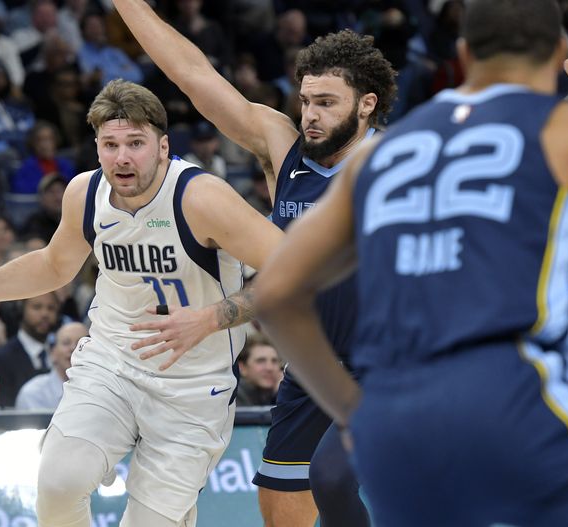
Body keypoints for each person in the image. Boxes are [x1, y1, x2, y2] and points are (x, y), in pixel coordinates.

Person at [255, 1, 568, 525]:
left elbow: (274, 295)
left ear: (465, 53)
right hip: (513, 397)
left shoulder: (385, 155)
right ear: (559, 51)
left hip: (394, 417)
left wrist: (352, 412)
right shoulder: (558, 130)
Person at [111, 2, 397, 524]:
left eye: (327, 103)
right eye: (306, 100)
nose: (310, 114)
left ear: (366, 104)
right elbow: (194, 76)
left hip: (389, 363)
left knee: (332, 480)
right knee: (279, 509)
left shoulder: (399, 163)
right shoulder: (281, 145)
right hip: (312, 366)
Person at [0, 79, 282, 526]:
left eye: (135, 143)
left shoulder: (201, 198)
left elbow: (292, 269)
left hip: (193, 388)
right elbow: (54, 266)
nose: (122, 157)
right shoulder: (84, 194)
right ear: (97, 148)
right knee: (58, 482)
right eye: (110, 144)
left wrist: (211, 318)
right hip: (112, 365)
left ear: (163, 147)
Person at [0, 291, 62, 408]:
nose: (45, 314)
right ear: (21, 310)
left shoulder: (65, 355)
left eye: (51, 308)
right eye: (37, 307)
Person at [15, 321, 88, 410]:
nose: (73, 348)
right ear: (53, 353)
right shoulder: (33, 393)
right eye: (66, 343)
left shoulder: (103, 389)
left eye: (81, 344)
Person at [235, 334, 282, 407]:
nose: (269, 368)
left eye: (274, 361)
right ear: (242, 368)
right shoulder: (233, 397)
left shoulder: (272, 393)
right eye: (261, 361)